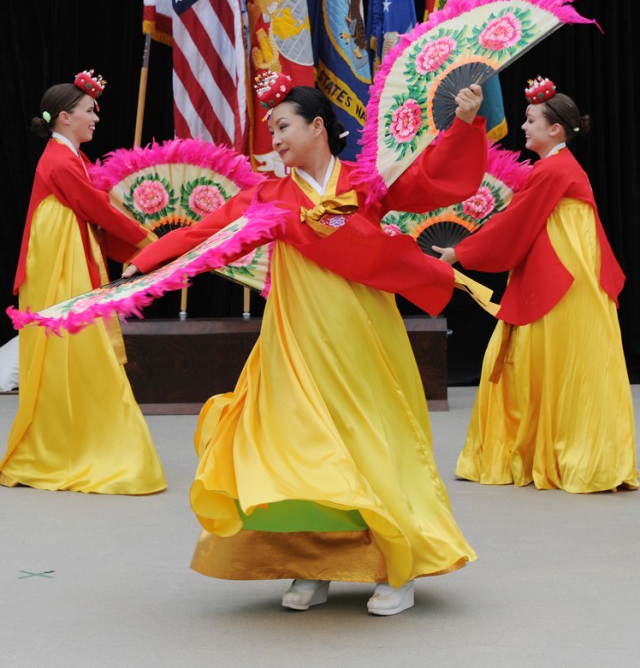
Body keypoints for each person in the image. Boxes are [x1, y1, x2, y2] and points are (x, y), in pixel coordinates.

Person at [124, 75, 488, 614]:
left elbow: (433, 182)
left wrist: (462, 124)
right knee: (297, 453)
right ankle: (312, 563)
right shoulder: (269, 197)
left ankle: (399, 565)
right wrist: (144, 262)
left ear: (318, 127)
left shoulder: (365, 184)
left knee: (372, 447)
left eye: (283, 126)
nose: (275, 139)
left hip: (363, 340)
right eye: (272, 130)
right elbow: (209, 235)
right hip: (295, 343)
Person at [434, 76, 638, 494]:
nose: (523, 127)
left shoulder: (554, 170)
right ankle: (565, 452)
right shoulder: (557, 168)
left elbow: (514, 224)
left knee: (541, 362)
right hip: (567, 277)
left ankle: (559, 454)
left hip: (561, 281)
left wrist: (461, 253)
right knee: (561, 364)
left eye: (530, 120)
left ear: (555, 130)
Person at [0, 72, 166, 495]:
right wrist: (150, 243)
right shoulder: (60, 160)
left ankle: (65, 444)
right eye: (90, 110)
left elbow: (99, 206)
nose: (96, 117)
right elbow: (97, 208)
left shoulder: (69, 157)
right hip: (60, 262)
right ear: (64, 116)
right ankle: (75, 448)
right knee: (75, 349)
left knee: (69, 354)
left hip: (65, 254)